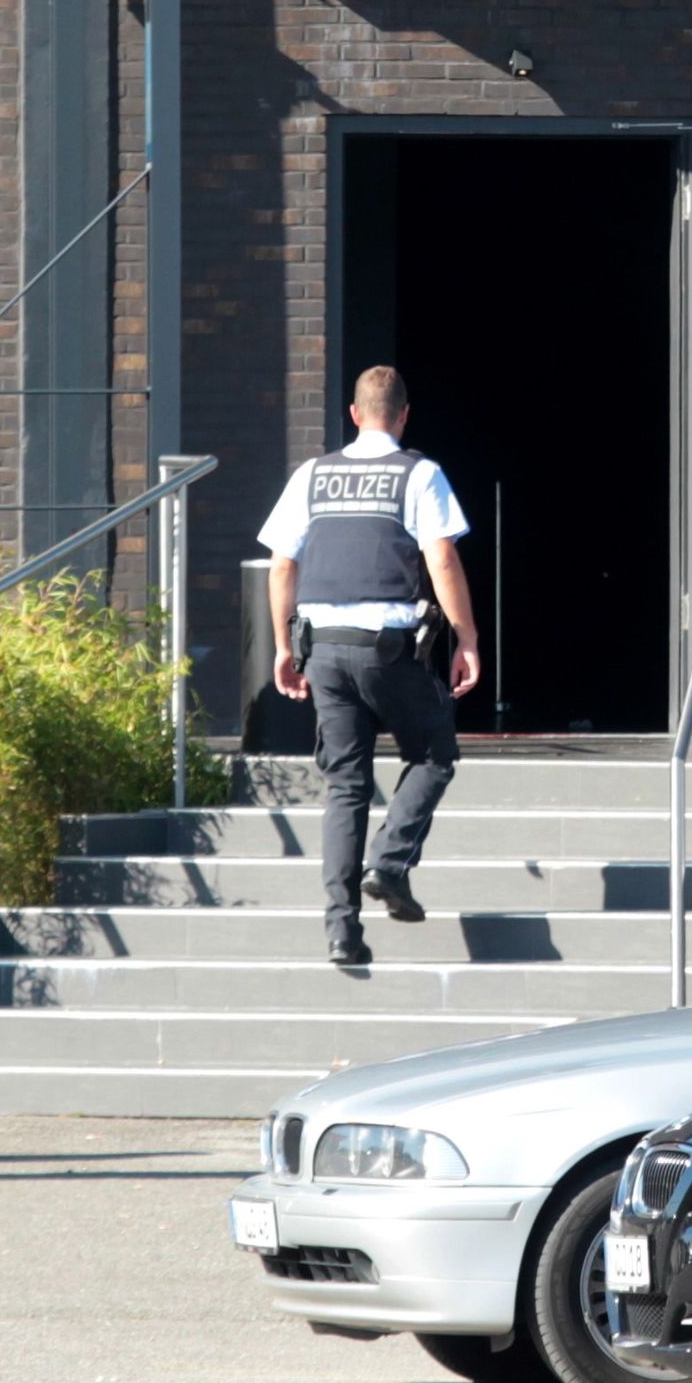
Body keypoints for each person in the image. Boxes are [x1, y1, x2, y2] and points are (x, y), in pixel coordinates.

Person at [264, 365, 479, 966]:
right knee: (433, 753)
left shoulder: (311, 475)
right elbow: (441, 559)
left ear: (354, 414)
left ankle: (342, 932)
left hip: (323, 649)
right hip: (387, 646)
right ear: (403, 415)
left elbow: (282, 565)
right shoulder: (419, 473)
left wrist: (282, 647)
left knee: (346, 787)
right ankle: (389, 862)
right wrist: (466, 637)